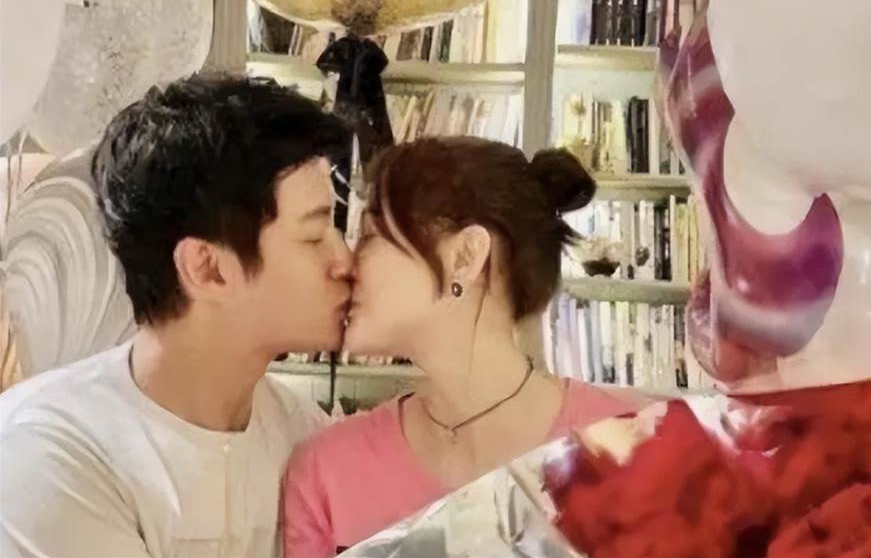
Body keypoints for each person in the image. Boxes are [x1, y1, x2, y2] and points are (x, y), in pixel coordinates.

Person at [0, 75, 354, 557]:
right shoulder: (48, 455)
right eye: (314, 236)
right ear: (208, 268)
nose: (345, 261)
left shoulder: (301, 433)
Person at [283, 137, 644, 556]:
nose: (346, 263)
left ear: (465, 256)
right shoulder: (325, 471)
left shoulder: (636, 447)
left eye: (369, 235)